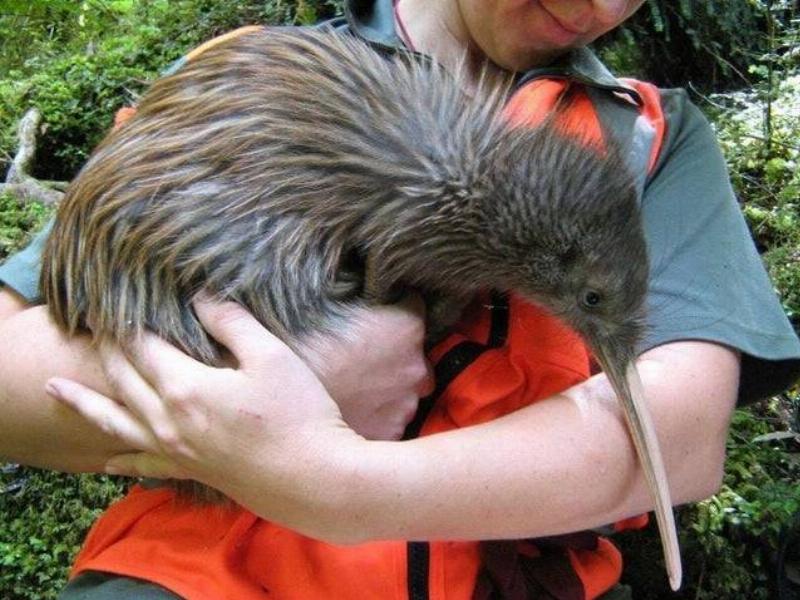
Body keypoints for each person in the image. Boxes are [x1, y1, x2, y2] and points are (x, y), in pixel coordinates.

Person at [1, 0, 799, 598]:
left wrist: (340, 484)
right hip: (191, 574)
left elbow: (682, 438)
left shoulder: (650, 137)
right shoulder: (254, 71)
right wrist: (310, 372)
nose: (594, 3)